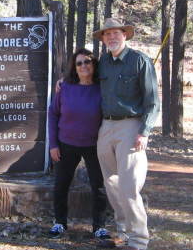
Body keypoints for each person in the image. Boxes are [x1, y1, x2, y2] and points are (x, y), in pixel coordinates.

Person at [93, 18, 160, 250]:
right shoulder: (103, 63)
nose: (112, 37)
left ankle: (139, 240)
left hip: (131, 126)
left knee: (129, 186)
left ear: (125, 35)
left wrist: (145, 131)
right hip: (106, 127)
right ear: (103, 39)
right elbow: (84, 81)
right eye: (107, 34)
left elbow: (152, 102)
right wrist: (63, 82)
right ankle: (123, 233)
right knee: (111, 183)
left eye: (116, 33)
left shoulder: (140, 61)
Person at [48, 48, 112, 243]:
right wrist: (53, 144)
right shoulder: (65, 87)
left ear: (94, 65)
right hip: (66, 144)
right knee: (61, 185)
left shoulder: (103, 88)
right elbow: (53, 114)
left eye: (88, 62)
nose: (84, 66)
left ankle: (99, 227)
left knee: (99, 187)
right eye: (79, 63)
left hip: (94, 145)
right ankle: (60, 222)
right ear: (74, 68)